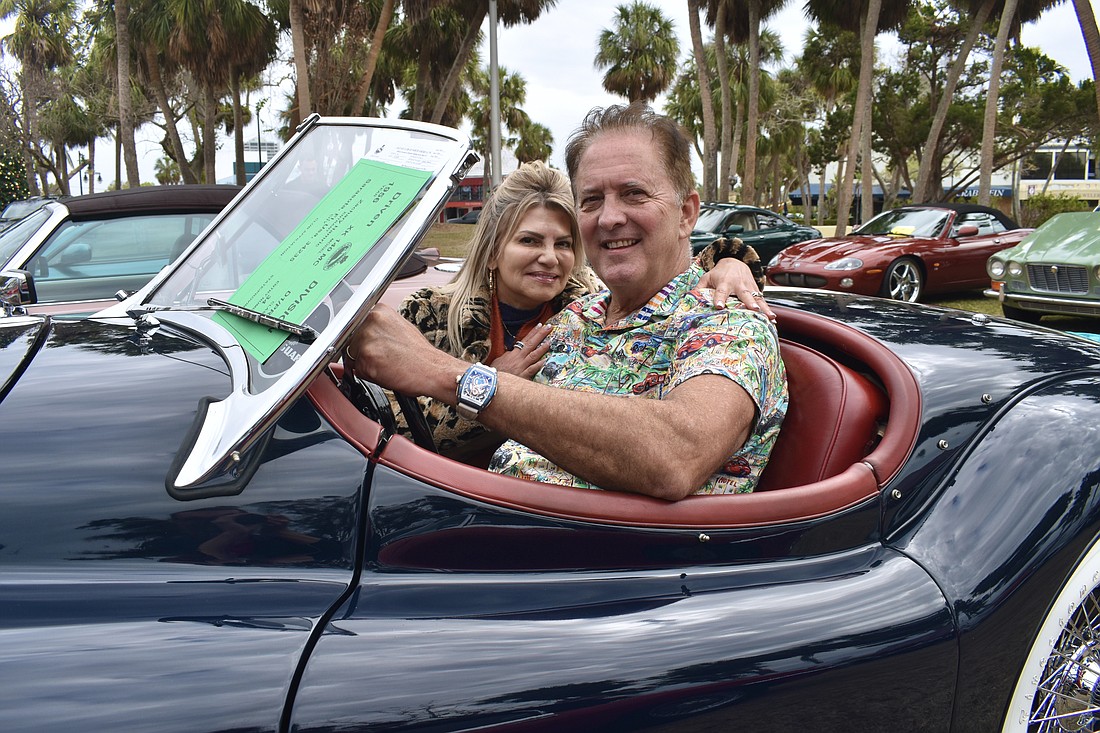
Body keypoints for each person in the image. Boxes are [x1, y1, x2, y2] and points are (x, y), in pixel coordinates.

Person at [350, 103, 787, 499]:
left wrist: (444, 373)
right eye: (592, 200)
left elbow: (675, 456)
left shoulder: (727, 320)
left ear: (686, 214)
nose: (610, 218)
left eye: (634, 193)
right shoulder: (577, 317)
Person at [390, 160, 770, 463]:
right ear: (492, 252)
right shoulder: (431, 314)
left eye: (564, 244)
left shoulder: (586, 310)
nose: (549, 258)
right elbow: (396, 431)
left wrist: (730, 260)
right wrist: (489, 382)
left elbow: (668, 279)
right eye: (529, 241)